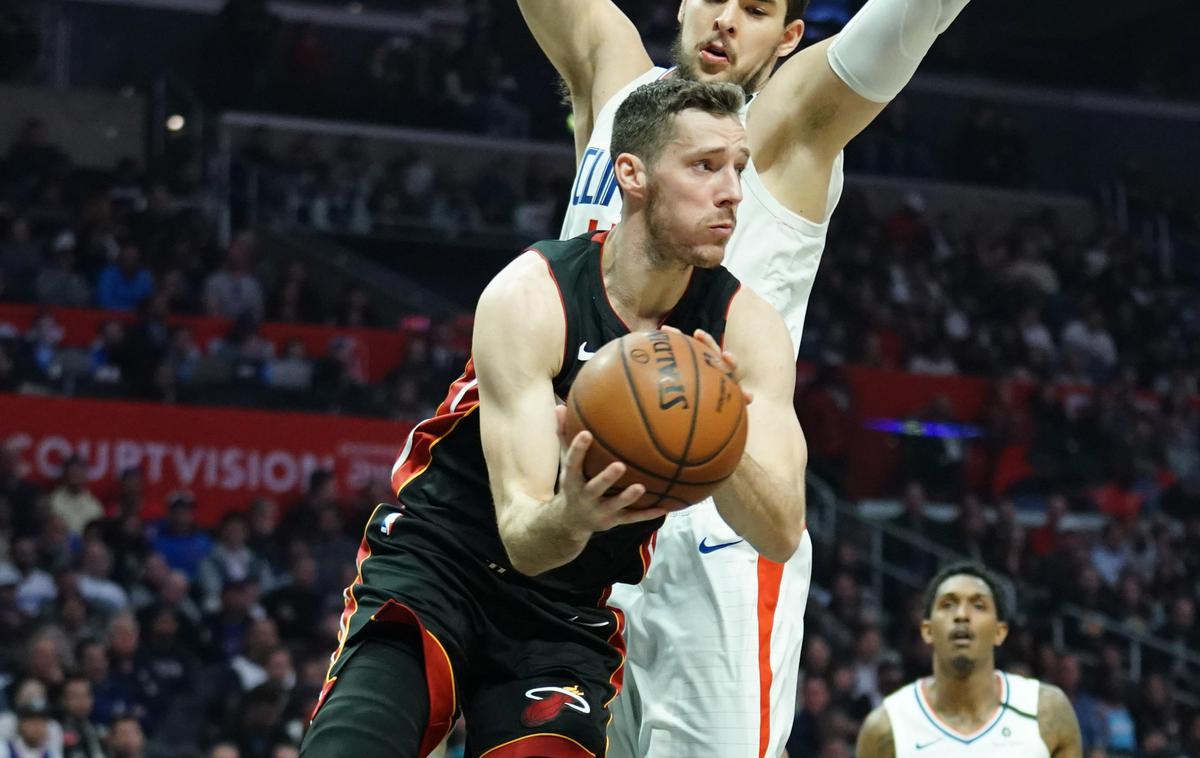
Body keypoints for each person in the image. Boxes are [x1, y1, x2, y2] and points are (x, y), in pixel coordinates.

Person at [301, 78, 807, 757]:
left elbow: (780, 532)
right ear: (632, 174)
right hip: (439, 564)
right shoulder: (531, 295)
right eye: (705, 165)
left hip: (562, 616)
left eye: (738, 169)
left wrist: (723, 439)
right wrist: (573, 511)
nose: (733, 192)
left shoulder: (746, 330)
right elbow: (524, 537)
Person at [519, 0, 972, 753]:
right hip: (577, 517)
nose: (726, 19)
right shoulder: (617, 83)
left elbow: (912, 18)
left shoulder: (789, 120)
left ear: (789, 38)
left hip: (715, 524)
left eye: (756, 10)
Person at [855, 563, 1082, 757]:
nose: (962, 615)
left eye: (978, 605)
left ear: (999, 632)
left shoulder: (1046, 711)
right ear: (927, 630)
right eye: (948, 604)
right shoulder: (887, 726)